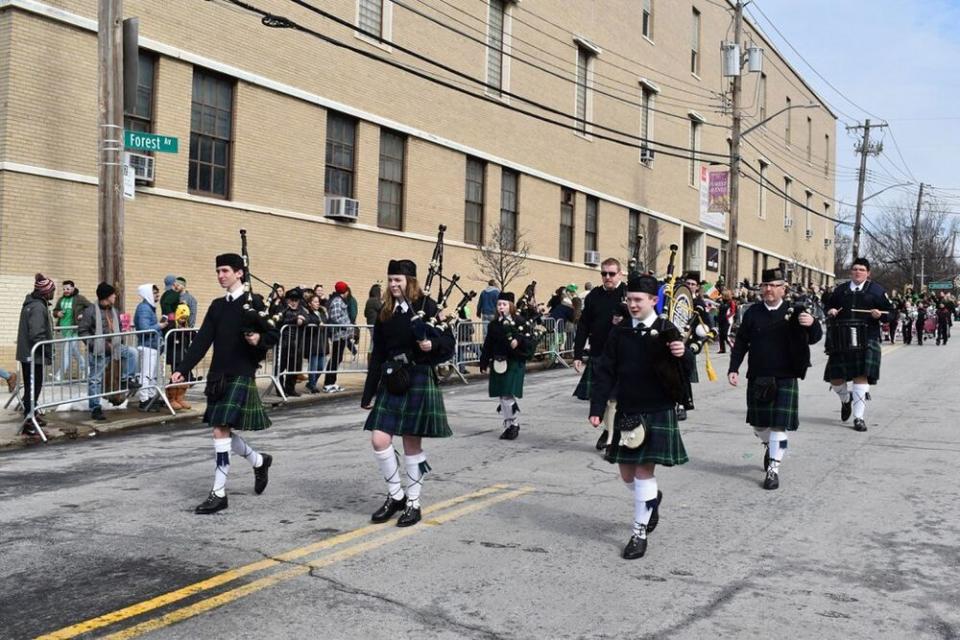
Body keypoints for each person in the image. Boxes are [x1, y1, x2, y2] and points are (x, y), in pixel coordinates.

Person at [589, 274, 689, 560]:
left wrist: (683, 352)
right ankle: (651, 499)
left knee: (644, 472)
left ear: (653, 301)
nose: (632, 305)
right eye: (629, 299)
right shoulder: (620, 333)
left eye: (638, 300)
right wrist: (597, 409)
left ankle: (639, 533)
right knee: (626, 473)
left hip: (658, 408)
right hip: (628, 408)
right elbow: (605, 370)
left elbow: (686, 370)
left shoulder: (667, 328)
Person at [170, 253, 278, 515]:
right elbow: (202, 340)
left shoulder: (253, 303)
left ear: (240, 273)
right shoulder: (218, 306)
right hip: (219, 375)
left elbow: (273, 333)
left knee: (220, 431)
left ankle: (219, 493)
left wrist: (258, 340)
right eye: (218, 271)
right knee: (222, 431)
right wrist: (182, 369)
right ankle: (259, 460)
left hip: (241, 372)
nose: (221, 275)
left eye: (225, 271)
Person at [361, 259, 454, 527]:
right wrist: (368, 393)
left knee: (412, 445)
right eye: (390, 280)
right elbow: (378, 353)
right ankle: (396, 495)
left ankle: (413, 502)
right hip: (392, 379)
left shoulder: (427, 307)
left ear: (410, 282)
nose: (393, 285)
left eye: (398, 280)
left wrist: (431, 344)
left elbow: (448, 344)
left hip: (418, 377)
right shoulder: (385, 313)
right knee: (379, 440)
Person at [727, 269, 823, 490]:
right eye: (765, 285)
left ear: (783, 288)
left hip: (786, 374)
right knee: (759, 425)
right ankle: (769, 445)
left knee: (779, 425)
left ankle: (773, 470)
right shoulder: (752, 313)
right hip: (759, 373)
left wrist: (812, 323)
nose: (768, 289)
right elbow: (741, 343)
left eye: (773, 285)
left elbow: (814, 338)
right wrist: (734, 368)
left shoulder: (796, 311)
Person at [823, 258, 891, 432]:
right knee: (835, 379)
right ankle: (846, 399)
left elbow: (892, 313)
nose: (857, 272)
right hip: (842, 337)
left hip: (867, 337)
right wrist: (830, 311)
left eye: (861, 269)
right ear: (850, 272)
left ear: (868, 273)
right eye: (854, 269)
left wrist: (880, 315)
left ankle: (858, 418)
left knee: (861, 375)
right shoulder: (841, 290)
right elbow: (828, 307)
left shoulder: (877, 291)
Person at [572, 258, 626, 449]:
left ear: (620, 274)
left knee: (613, 399)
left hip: (622, 354)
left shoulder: (627, 294)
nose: (607, 277)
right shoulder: (594, 295)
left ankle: (611, 437)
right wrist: (577, 354)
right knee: (600, 397)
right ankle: (608, 430)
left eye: (612, 273)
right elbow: (584, 325)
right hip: (598, 352)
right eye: (604, 273)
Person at [78, 282, 140, 422]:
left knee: (132, 353)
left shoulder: (114, 311)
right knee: (95, 379)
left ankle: (126, 379)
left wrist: (123, 332)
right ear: (106, 296)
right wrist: (95, 344)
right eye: (113, 295)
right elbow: (82, 331)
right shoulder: (90, 311)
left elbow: (117, 327)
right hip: (99, 350)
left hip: (115, 347)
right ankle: (95, 407)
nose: (115, 297)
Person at [479, 292, 533, 440]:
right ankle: (510, 425)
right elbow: (488, 344)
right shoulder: (494, 324)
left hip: (514, 362)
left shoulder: (520, 322)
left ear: (511, 306)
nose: (501, 307)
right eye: (499, 304)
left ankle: (513, 424)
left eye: (504, 304)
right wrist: (483, 361)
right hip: (498, 361)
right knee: (503, 396)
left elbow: (531, 341)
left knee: (507, 394)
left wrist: (519, 340)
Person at [16, 274, 55, 433]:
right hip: (33, 354)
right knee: (33, 387)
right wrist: (46, 352)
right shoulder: (38, 307)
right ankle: (29, 420)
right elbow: (37, 334)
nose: (53, 293)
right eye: (52, 291)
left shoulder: (33, 303)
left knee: (32, 387)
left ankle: (32, 414)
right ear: (46, 292)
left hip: (29, 353)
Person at [133, 283, 168, 412]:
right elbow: (144, 328)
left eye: (157, 292)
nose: (157, 295)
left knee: (152, 375)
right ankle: (144, 400)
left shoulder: (149, 308)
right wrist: (160, 326)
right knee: (146, 374)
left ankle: (151, 397)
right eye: (154, 293)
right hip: (147, 345)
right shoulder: (144, 308)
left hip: (152, 345)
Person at [52, 280, 91, 379]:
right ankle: (86, 369)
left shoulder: (79, 299)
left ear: (73, 288)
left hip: (73, 330)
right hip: (64, 330)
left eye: (68, 289)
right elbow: (55, 311)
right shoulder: (61, 300)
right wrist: (58, 313)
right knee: (73, 351)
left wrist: (83, 315)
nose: (66, 291)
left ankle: (59, 375)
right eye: (64, 289)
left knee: (66, 352)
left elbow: (91, 307)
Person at [278, 287, 308, 397]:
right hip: (283, 343)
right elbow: (279, 321)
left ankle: (290, 389)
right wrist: (295, 319)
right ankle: (279, 389)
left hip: (296, 344)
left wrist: (303, 320)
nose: (294, 302)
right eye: (292, 300)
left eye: (296, 300)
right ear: (288, 300)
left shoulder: (301, 310)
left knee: (293, 368)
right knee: (280, 368)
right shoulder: (283, 309)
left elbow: (309, 319)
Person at [323, 282, 352, 392]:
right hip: (338, 335)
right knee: (335, 359)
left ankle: (332, 382)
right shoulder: (337, 302)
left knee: (337, 359)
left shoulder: (340, 301)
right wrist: (347, 325)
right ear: (344, 291)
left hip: (342, 335)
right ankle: (328, 383)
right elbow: (335, 317)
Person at [302, 291, 327, 394]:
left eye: (318, 302)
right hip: (312, 343)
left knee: (321, 366)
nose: (317, 303)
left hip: (322, 343)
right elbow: (309, 320)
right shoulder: (308, 313)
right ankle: (312, 385)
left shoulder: (321, 312)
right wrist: (318, 322)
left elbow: (326, 321)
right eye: (315, 302)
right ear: (310, 303)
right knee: (313, 365)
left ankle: (311, 383)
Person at [717, 288, 736, 354]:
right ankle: (722, 349)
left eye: (722, 294)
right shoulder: (722, 302)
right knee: (721, 336)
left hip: (727, 321)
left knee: (726, 335)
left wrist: (727, 317)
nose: (721, 295)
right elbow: (720, 310)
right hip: (721, 320)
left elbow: (733, 312)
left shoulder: (731, 302)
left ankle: (733, 347)